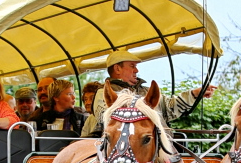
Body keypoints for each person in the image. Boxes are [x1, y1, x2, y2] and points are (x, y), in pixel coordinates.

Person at [81, 51, 216, 137]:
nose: (137, 70)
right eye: (132, 66)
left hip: (161, 146)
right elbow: (104, 117)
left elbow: (169, 108)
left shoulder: (146, 92)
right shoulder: (103, 93)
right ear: (117, 68)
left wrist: (194, 94)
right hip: (126, 150)